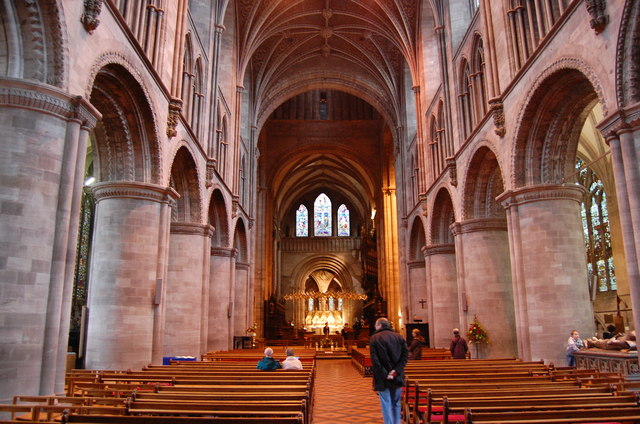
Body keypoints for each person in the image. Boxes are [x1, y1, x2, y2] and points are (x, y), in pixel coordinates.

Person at [369, 317, 408, 424]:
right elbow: (405, 357)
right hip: (397, 377)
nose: (375, 328)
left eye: (375, 326)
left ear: (379, 325)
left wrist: (386, 374)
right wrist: (395, 371)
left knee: (386, 403)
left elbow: (375, 360)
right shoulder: (400, 337)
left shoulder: (375, 338)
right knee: (396, 403)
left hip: (383, 378)